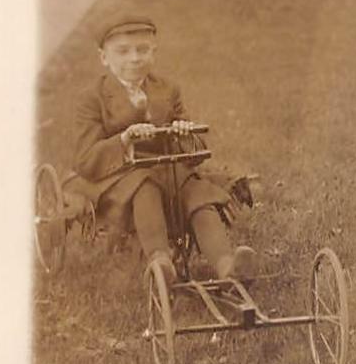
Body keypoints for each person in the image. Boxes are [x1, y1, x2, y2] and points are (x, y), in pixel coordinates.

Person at [64, 16, 256, 285]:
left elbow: (197, 152)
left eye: (142, 50)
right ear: (103, 58)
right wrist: (124, 140)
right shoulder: (92, 98)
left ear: (153, 52)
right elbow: (85, 158)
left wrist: (184, 133)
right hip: (119, 176)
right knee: (145, 186)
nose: (134, 58)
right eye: (123, 51)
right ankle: (159, 261)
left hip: (167, 168)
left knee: (197, 193)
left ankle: (227, 265)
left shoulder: (166, 90)